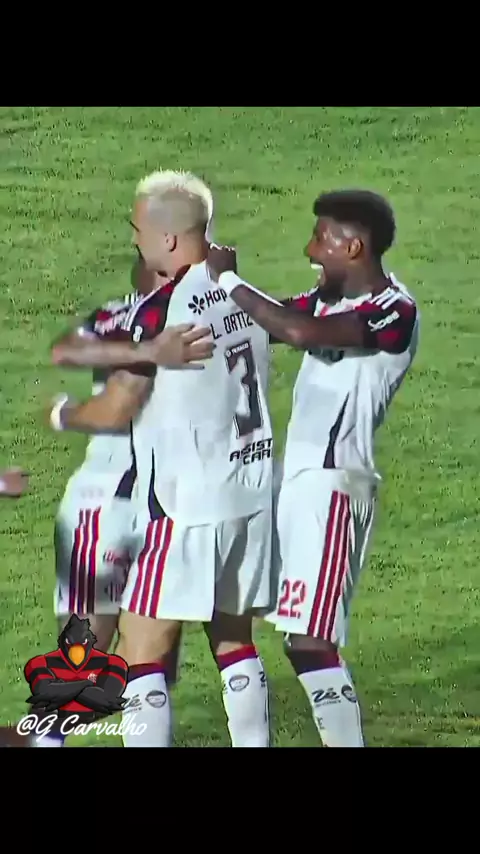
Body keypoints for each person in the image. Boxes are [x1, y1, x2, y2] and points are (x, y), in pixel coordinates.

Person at [47, 171, 274, 748]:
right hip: (248, 495)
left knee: (141, 653)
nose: (134, 238)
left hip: (184, 506)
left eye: (139, 228)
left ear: (169, 238)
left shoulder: (164, 309)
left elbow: (117, 403)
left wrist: (64, 414)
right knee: (235, 644)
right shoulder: (243, 294)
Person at [207, 189, 419, 748]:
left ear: (354, 246)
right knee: (233, 613)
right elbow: (268, 322)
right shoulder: (327, 300)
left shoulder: (393, 310)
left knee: (310, 642)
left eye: (321, 238)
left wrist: (228, 279)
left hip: (335, 487)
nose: (310, 249)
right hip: (292, 486)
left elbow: (299, 334)